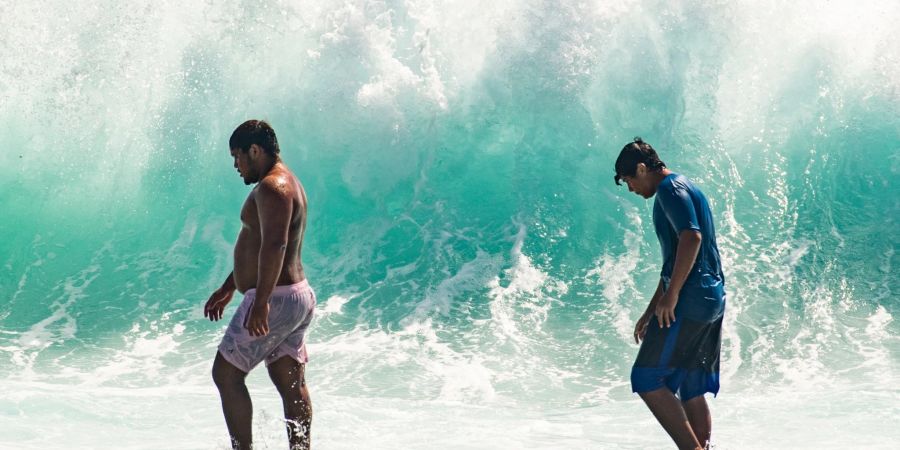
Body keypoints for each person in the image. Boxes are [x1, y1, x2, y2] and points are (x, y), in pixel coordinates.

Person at [203, 120, 316, 450]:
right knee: (289, 381)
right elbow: (257, 242)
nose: (236, 166)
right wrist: (230, 285)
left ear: (255, 150)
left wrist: (261, 301)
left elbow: (275, 246)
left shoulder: (272, 187)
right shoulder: (287, 183)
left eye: (237, 156)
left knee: (226, 374)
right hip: (295, 297)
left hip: (276, 298)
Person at [614, 138, 726, 450]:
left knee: (647, 379)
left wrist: (672, 295)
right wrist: (654, 307)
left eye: (629, 181)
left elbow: (691, 238)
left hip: (691, 299)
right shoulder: (684, 185)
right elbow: (674, 259)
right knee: (690, 385)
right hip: (710, 297)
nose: (631, 189)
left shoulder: (669, 190)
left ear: (641, 168)